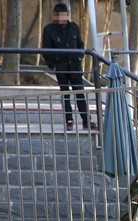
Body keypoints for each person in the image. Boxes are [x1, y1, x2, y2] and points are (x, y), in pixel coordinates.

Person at [42, 3, 98, 132]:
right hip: (60, 66)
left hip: (74, 66)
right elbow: (45, 50)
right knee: (65, 94)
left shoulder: (74, 28)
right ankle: (69, 120)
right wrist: (53, 66)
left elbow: (80, 45)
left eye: (63, 15)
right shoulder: (49, 30)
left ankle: (86, 120)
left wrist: (79, 58)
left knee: (80, 93)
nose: (62, 17)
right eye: (59, 15)